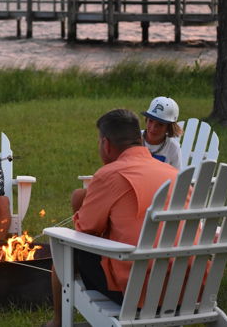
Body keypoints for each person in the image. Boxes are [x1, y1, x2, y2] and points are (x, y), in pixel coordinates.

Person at [51, 109, 179, 327]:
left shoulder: (111, 175)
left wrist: (78, 202)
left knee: (64, 249)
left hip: (137, 291)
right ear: (139, 140)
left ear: (106, 144)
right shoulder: (172, 173)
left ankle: (57, 322)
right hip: (185, 287)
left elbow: (85, 231)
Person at [142, 96, 183, 170]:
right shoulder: (134, 138)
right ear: (146, 120)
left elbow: (176, 176)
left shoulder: (173, 148)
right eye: (150, 121)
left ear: (169, 127)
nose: (153, 128)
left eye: (160, 124)